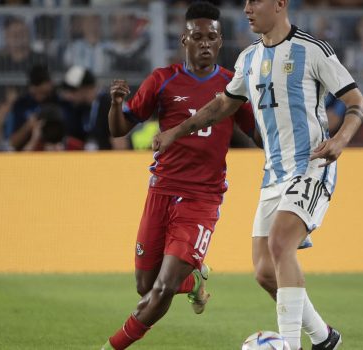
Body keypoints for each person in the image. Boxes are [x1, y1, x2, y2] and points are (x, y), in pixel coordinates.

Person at [153, 0, 363, 348]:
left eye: (256, 1)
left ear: (280, 4)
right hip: (274, 174)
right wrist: (177, 131)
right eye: (246, 2)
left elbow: (358, 102)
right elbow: (224, 104)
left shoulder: (312, 51)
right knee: (265, 272)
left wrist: (340, 139)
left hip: (312, 165)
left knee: (281, 243)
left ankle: (289, 345)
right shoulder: (248, 58)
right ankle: (324, 338)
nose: (248, 8)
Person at [100, 3, 254, 349]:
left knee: (162, 288)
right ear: (184, 38)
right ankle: (195, 279)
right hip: (161, 192)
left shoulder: (233, 85)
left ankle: (112, 346)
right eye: (197, 36)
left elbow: (257, 133)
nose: (204, 43)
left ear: (220, 41)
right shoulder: (163, 80)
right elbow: (119, 129)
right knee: (146, 284)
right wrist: (115, 104)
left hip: (202, 199)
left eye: (211, 37)